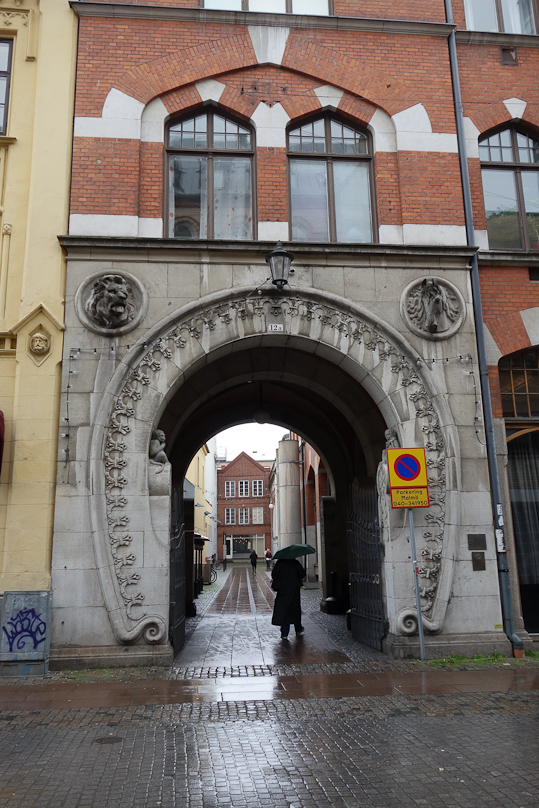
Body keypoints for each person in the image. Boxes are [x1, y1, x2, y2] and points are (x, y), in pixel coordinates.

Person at [271, 558, 305, 639]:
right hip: (294, 590)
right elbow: (302, 573)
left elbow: (273, 574)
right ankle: (298, 629)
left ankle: (284, 633)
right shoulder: (295, 562)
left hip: (283, 590)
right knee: (295, 609)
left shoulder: (280, 563)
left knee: (284, 609)